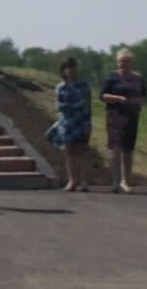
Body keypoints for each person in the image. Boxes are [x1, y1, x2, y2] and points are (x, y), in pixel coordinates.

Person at [100, 48, 147, 193]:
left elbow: (145, 97)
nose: (123, 64)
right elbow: (102, 95)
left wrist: (134, 101)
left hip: (131, 116)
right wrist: (118, 98)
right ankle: (115, 181)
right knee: (115, 149)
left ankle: (126, 181)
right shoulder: (112, 77)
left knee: (128, 150)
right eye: (121, 61)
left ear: (131, 63)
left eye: (126, 62)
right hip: (114, 115)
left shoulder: (138, 78)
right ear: (117, 62)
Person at [46, 57, 91, 192]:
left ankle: (83, 181)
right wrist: (74, 106)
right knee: (69, 152)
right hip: (66, 122)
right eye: (67, 68)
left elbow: (87, 106)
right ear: (63, 71)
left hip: (80, 121)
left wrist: (88, 123)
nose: (70, 71)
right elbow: (59, 105)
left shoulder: (83, 85)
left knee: (81, 151)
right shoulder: (60, 87)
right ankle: (72, 180)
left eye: (72, 67)